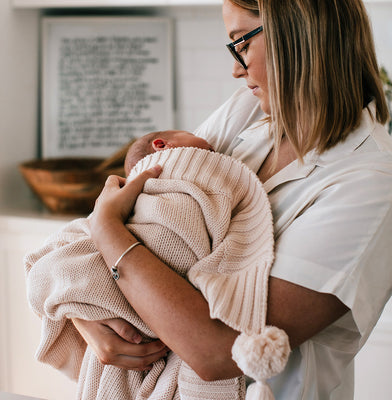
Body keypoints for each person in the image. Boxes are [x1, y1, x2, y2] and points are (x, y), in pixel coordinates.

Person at [29, 0, 392, 398]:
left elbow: (218, 350)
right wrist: (86, 311)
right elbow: (151, 206)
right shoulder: (247, 113)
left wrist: (105, 228)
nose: (236, 68)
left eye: (242, 42)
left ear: (299, 34)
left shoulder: (368, 185)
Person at [25, 128, 288, 399]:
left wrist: (106, 228)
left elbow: (210, 353)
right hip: (140, 309)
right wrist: (84, 311)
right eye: (207, 151)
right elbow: (64, 248)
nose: (213, 152)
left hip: (172, 324)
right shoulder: (159, 180)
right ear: (162, 145)